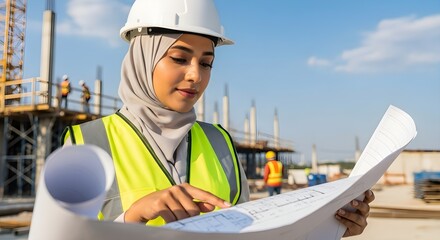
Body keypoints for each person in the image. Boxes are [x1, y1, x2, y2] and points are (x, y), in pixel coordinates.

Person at [61, 0, 374, 237]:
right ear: (143, 57)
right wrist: (132, 219)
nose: (195, 75)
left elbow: (254, 232)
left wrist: (329, 227)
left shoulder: (219, 142)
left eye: (207, 63)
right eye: (180, 58)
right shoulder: (86, 143)